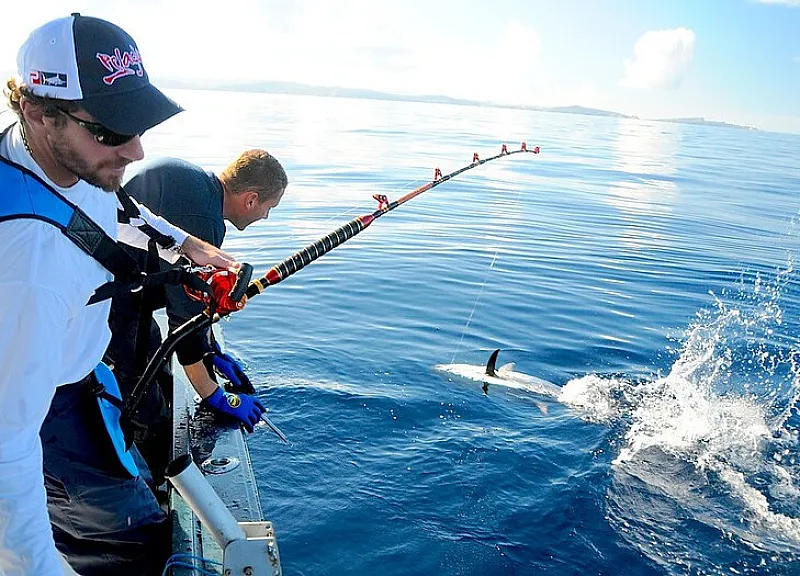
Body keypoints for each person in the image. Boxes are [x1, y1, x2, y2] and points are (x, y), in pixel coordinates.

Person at [0, 14, 242, 576]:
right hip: (48, 408)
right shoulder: (28, 270)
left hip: (84, 368)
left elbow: (112, 211)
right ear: (37, 109)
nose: (134, 151)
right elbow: (7, 445)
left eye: (137, 124)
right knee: (131, 541)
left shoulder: (56, 153)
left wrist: (188, 245)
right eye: (112, 132)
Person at [107, 151, 288, 482]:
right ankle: (151, 491)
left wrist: (213, 353)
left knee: (157, 371)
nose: (265, 217)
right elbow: (184, 324)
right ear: (251, 199)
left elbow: (189, 303)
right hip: (109, 306)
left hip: (123, 295)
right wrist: (215, 396)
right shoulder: (204, 222)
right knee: (152, 416)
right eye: (268, 209)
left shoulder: (193, 181)